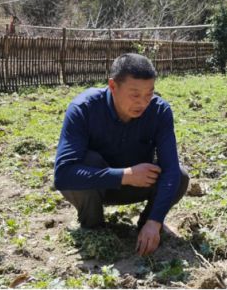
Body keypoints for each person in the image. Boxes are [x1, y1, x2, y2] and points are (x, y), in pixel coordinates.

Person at [54, 53, 189, 256]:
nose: (142, 102)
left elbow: (170, 171)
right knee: (87, 161)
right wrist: (124, 175)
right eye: (135, 95)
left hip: (138, 184)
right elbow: (63, 175)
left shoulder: (159, 111)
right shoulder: (83, 109)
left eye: (148, 94)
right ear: (113, 86)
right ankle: (93, 227)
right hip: (96, 188)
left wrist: (155, 220)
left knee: (180, 176)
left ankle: (147, 227)